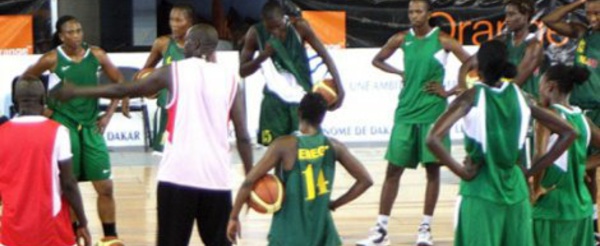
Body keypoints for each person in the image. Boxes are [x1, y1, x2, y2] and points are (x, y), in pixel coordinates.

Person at [53, 24, 253, 246]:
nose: (183, 45)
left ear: (195, 44)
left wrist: (77, 91)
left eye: (187, 41)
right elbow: (243, 137)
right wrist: (250, 179)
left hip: (178, 176)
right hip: (217, 178)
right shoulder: (230, 80)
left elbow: (123, 90)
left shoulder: (174, 71)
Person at [426, 40, 577, 246]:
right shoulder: (522, 96)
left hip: (480, 190)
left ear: (478, 67)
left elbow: (432, 138)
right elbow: (569, 132)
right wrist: (532, 171)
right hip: (516, 192)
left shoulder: (471, 97)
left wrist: (462, 172)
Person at [356, 0, 470, 245]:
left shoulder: (443, 40)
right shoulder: (401, 39)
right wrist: (399, 73)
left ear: (429, 14)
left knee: (432, 172)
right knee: (392, 171)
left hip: (433, 114)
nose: (414, 16)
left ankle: (425, 228)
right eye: (410, 11)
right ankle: (381, 229)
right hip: (406, 113)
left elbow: (471, 63)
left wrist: (451, 91)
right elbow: (377, 59)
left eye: (419, 11)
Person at [22, 15, 126, 245]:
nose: (76, 35)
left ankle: (110, 237)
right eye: (70, 32)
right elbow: (26, 79)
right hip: (64, 126)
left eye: (79, 30)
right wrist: (44, 107)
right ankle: (72, 233)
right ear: (61, 36)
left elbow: (120, 82)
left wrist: (108, 114)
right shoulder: (51, 58)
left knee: (105, 187)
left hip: (91, 126)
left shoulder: (97, 54)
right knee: (69, 187)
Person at [226, 92, 373, 245]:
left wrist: (234, 217)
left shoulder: (284, 145)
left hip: (288, 235)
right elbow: (366, 181)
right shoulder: (334, 146)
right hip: (324, 235)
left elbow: (249, 181)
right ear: (323, 116)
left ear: (299, 112)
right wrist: (334, 204)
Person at [0, 77, 91, 246]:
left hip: (12, 232)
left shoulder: (1, 133)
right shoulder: (58, 132)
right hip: (52, 230)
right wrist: (82, 222)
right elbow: (69, 184)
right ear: (44, 99)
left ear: (15, 101)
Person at [239, 1, 345, 146]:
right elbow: (243, 71)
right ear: (263, 22)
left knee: (304, 148)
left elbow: (325, 55)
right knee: (275, 150)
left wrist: (340, 89)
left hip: (301, 99)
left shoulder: (299, 27)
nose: (275, 32)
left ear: (285, 18)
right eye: (270, 29)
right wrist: (263, 56)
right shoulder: (254, 33)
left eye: (278, 26)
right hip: (274, 100)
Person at [542, 0, 600, 238]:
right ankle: (593, 221)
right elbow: (549, 21)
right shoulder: (581, 31)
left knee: (587, 166)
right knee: (588, 173)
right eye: (589, 13)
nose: (592, 17)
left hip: (598, 106)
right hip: (579, 106)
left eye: (597, 13)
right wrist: (578, 3)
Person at [531, 64, 600, 246]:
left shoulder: (548, 117)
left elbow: (539, 156)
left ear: (550, 87)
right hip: (581, 208)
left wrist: (535, 188)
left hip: (551, 208)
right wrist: (581, 166)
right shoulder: (583, 119)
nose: (539, 93)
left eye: (540, 87)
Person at [141, 4, 194, 153]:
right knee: (163, 158)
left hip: (191, 111)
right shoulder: (163, 43)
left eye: (179, 20)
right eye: (172, 20)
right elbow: (145, 71)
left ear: (190, 22)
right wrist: (145, 86)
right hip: (167, 110)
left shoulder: (200, 45)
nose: (174, 25)